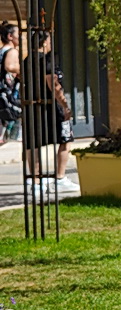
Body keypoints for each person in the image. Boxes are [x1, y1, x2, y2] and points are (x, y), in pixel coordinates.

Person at [21, 30, 76, 192]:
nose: (51, 43)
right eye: (49, 40)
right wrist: (65, 105)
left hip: (32, 105)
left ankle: (35, 181)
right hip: (51, 106)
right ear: (44, 42)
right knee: (66, 139)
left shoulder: (26, 61)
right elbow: (53, 84)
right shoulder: (47, 60)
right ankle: (59, 177)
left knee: (34, 143)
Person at [0, 22, 20, 144]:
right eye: (19, 34)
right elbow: (9, 66)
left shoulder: (2, 50)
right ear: (10, 36)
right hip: (8, 94)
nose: (21, 37)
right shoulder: (12, 51)